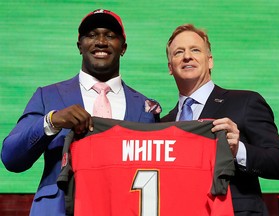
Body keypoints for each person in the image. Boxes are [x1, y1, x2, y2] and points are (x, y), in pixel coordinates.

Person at [1, 9, 160, 216]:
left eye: (110, 35)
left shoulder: (145, 108)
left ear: (123, 48)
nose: (101, 41)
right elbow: (11, 157)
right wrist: (52, 121)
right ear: (79, 46)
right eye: (91, 35)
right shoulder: (47, 96)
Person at [161, 24, 279, 215]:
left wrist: (238, 150)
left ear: (210, 61)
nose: (187, 56)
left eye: (195, 50)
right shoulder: (162, 124)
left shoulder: (245, 102)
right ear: (171, 67)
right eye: (179, 52)